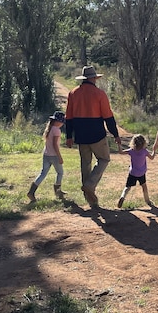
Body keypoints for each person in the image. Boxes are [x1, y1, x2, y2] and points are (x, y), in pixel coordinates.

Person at [64, 66, 121, 207]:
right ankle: (90, 186)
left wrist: (69, 136)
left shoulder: (73, 93)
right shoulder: (100, 94)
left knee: (85, 164)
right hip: (97, 134)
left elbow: (69, 117)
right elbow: (108, 117)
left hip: (80, 135)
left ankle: (90, 200)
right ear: (93, 78)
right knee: (104, 159)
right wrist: (115, 134)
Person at [27, 111, 66, 203]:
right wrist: (59, 157)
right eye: (62, 122)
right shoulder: (56, 130)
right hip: (54, 155)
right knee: (60, 173)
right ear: (58, 121)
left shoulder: (50, 128)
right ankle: (57, 192)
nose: (62, 123)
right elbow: (55, 145)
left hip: (46, 154)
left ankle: (31, 192)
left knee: (43, 174)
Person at [117, 134, 155, 208]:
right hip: (141, 173)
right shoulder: (144, 151)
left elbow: (121, 152)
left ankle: (122, 196)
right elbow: (152, 157)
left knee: (127, 187)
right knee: (144, 186)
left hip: (133, 173)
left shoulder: (131, 151)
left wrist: (119, 144)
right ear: (144, 142)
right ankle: (147, 201)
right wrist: (154, 150)